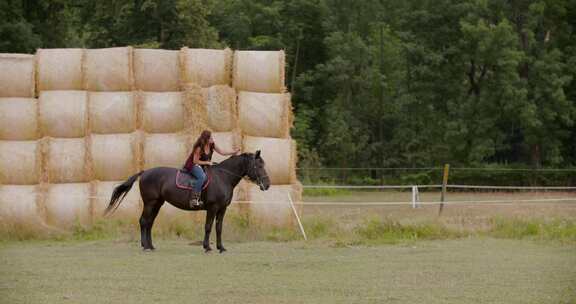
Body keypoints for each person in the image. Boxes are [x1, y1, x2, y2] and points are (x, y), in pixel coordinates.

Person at [183, 130, 239, 207]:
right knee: (202, 177)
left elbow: (222, 152)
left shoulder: (212, 145)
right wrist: (207, 163)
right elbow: (195, 161)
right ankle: (194, 199)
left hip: (202, 165)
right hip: (193, 165)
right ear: (206, 139)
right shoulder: (199, 148)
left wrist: (233, 152)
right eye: (210, 138)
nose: (212, 139)